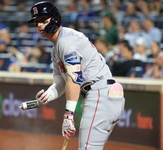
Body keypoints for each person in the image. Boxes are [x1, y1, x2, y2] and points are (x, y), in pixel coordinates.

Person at [27, 1, 125, 150]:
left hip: (99, 92)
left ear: (54, 19)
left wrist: (68, 114)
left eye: (43, 20)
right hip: (101, 94)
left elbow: (75, 79)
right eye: (36, 22)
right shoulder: (56, 49)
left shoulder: (66, 41)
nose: (39, 25)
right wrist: (48, 95)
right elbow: (60, 83)